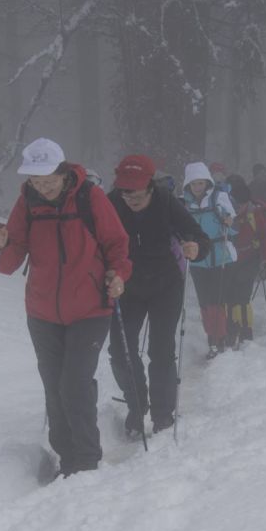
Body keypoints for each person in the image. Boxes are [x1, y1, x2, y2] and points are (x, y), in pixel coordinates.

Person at [0, 137, 132, 478]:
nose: (43, 186)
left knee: (74, 383)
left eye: (48, 179)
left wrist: (119, 276)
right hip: (42, 312)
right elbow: (10, 261)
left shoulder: (89, 197)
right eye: (36, 181)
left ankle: (86, 459)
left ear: (63, 171)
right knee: (54, 385)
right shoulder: (27, 202)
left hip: (92, 308)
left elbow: (117, 244)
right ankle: (66, 456)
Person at [106, 154, 211, 435]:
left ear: (150, 187)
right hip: (126, 286)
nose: (131, 199)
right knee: (119, 351)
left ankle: (163, 414)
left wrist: (195, 247)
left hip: (166, 284)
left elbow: (199, 237)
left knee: (161, 349)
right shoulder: (111, 203)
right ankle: (136, 404)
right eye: (126, 193)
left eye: (137, 194)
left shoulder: (166, 201)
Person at [182, 161, 237, 359]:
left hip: (220, 255)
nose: (198, 187)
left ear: (207, 183)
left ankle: (220, 338)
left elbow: (231, 216)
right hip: (198, 258)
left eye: (201, 183)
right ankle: (211, 337)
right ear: (188, 185)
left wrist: (228, 219)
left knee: (218, 300)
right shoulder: (184, 203)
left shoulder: (219, 197)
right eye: (194, 184)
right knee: (205, 301)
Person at [226, 174, 266, 347]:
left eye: (241, 204)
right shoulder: (225, 214)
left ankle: (246, 331)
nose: (238, 208)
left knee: (243, 295)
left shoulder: (255, 213)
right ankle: (231, 329)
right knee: (230, 296)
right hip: (230, 260)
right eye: (236, 204)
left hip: (250, 259)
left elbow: (265, 237)